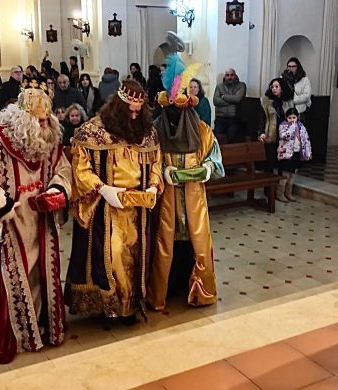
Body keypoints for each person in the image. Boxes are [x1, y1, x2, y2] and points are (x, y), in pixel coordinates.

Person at [0, 79, 72, 364]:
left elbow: (63, 170)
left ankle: (42, 329)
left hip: (39, 221)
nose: (45, 127)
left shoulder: (49, 140)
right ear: (22, 119)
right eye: (40, 122)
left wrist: (57, 192)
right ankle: (15, 335)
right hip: (7, 223)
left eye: (48, 121)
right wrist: (3, 205)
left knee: (40, 272)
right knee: (9, 277)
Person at [65, 80, 163, 323]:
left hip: (137, 207)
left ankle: (130, 305)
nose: (133, 115)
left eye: (138, 111)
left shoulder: (147, 132)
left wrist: (153, 185)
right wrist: (103, 189)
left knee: (136, 255)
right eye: (129, 110)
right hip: (107, 206)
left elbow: (157, 164)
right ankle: (112, 305)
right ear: (118, 106)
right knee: (113, 254)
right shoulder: (93, 132)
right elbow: (81, 169)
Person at [147, 53, 224, 310]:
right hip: (166, 200)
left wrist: (207, 169)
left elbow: (215, 157)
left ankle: (198, 288)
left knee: (195, 241)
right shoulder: (156, 130)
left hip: (194, 199)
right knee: (165, 242)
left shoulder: (201, 130)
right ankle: (163, 290)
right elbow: (147, 163)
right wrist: (162, 172)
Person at [258, 77, 294, 182]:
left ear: (282, 88)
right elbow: (262, 118)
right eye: (272, 87)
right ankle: (268, 189)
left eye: (277, 87)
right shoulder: (265, 101)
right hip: (271, 134)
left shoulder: (288, 102)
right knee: (270, 162)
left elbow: (294, 117)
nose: (274, 89)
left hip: (284, 137)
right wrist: (261, 132)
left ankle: (280, 189)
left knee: (283, 163)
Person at [277, 108, 312, 202]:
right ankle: (280, 193)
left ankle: (288, 192)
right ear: (286, 118)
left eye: (294, 117)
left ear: (298, 117)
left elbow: (306, 140)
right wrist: (291, 128)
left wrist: (307, 152)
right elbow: (283, 136)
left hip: (297, 152)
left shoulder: (301, 126)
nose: (292, 120)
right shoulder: (283, 126)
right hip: (286, 154)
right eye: (289, 118)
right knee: (285, 174)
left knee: (293, 174)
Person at [212, 68, 246, 143]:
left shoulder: (241, 85)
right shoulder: (219, 87)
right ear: (225, 76)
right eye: (227, 75)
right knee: (217, 141)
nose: (229, 77)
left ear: (235, 75)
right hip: (220, 118)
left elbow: (237, 99)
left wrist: (223, 97)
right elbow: (215, 101)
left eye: (232, 75)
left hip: (234, 119)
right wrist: (232, 100)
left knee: (232, 141)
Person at [281, 57, 311, 123]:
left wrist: (293, 100)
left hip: (300, 110)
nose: (291, 68)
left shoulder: (304, 79)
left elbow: (307, 96)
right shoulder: (282, 78)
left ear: (298, 67)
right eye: (289, 66)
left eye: (293, 66)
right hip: (286, 110)